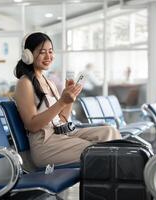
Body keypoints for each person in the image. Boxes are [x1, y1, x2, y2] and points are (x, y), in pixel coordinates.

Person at [14, 32, 121, 168]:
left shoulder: (49, 82)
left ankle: (117, 178)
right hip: (45, 144)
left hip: (62, 133)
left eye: (51, 51)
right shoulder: (25, 83)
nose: (48, 56)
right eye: (42, 52)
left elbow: (63, 119)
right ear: (28, 55)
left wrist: (69, 99)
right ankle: (111, 183)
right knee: (96, 151)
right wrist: (61, 102)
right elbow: (32, 125)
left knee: (109, 131)